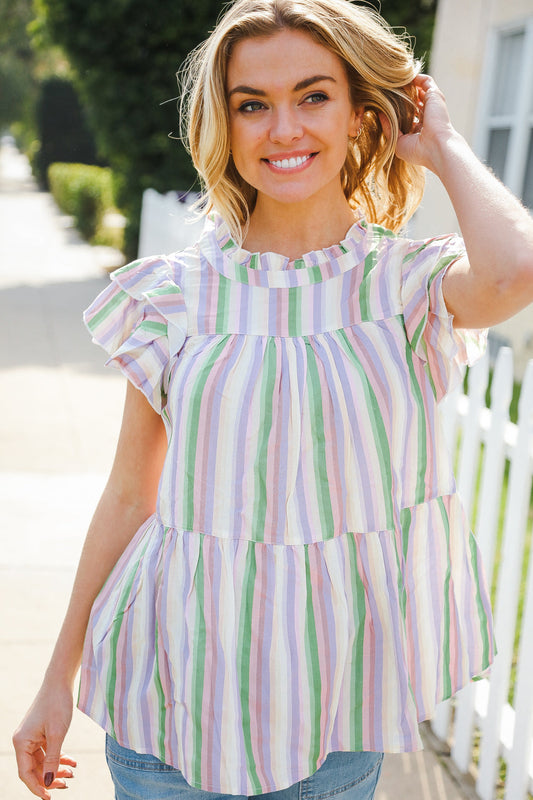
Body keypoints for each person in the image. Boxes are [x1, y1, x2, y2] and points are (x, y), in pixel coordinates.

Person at [13, 0, 533, 798]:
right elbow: (127, 495)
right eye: (251, 104)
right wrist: (56, 677)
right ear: (223, 124)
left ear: (363, 113)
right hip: (168, 701)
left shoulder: (402, 285)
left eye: (312, 95)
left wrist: (444, 145)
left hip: (334, 713)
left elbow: (512, 274)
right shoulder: (174, 297)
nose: (282, 128)